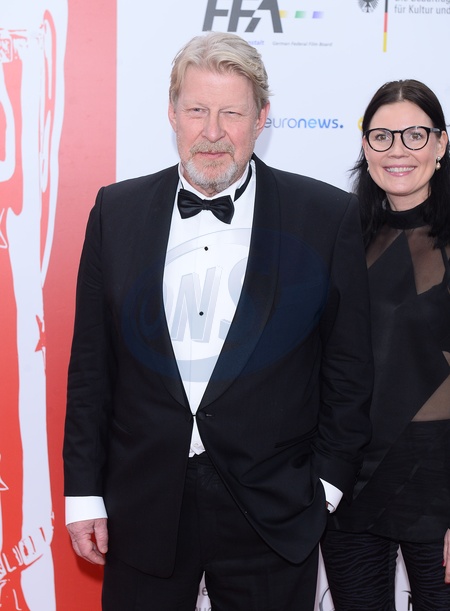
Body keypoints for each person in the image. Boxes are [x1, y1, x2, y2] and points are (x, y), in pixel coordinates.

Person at [63, 31, 373, 611]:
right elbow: (90, 372)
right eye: (197, 111)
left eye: (231, 113)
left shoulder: (325, 216)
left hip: (275, 510)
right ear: (172, 114)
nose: (212, 132)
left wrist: (325, 489)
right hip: (143, 502)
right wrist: (83, 494)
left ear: (261, 119)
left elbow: (349, 370)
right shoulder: (115, 212)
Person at [321, 79, 450, 611]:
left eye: (415, 135)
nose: (398, 150)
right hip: (350, 484)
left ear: (441, 144)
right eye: (382, 136)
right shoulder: (337, 236)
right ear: (365, 147)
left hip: (440, 484)